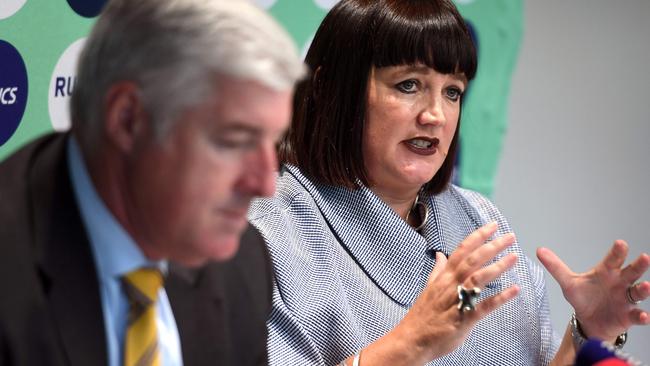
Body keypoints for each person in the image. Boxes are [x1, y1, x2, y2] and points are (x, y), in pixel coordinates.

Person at [247, 0, 650, 365]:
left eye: (453, 91)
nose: (435, 115)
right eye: (409, 85)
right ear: (327, 87)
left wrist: (591, 333)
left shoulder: (478, 218)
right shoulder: (267, 229)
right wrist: (411, 343)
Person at [0, 0, 304, 365]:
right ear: (129, 120)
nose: (264, 184)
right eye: (235, 140)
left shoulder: (241, 261)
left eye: (271, 141)